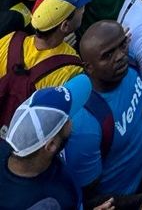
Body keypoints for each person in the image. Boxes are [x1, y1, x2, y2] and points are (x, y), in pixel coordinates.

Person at [64, 20, 142, 206]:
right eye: (107, 55)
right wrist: (141, 202)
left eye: (122, 45)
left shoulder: (130, 63)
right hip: (126, 196)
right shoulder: (83, 123)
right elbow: (90, 194)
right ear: (88, 67)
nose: (120, 56)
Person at [0, 82, 94, 210]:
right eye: (67, 119)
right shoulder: (55, 201)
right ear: (51, 145)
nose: (71, 121)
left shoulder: (5, 149)